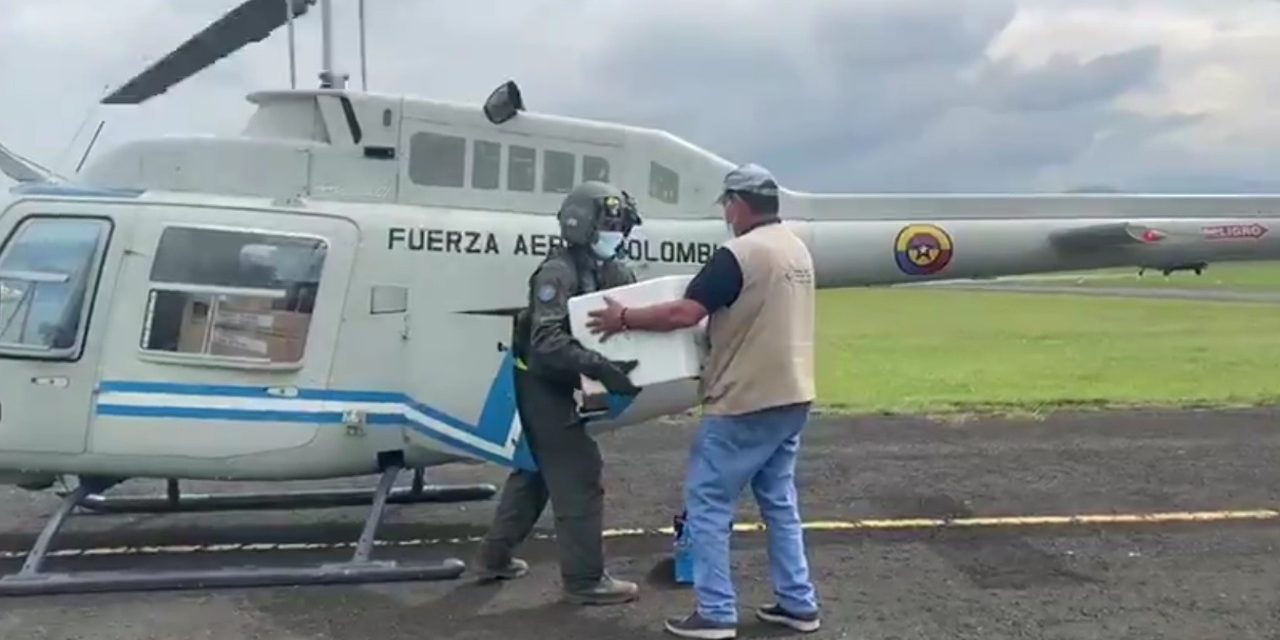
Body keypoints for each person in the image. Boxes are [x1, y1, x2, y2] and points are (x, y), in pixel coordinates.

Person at [586, 163, 821, 638]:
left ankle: (715, 612)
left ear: (736, 204)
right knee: (778, 501)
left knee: (708, 501)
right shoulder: (796, 250)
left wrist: (624, 318)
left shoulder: (738, 254)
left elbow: (684, 311)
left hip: (744, 398)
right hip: (793, 394)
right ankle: (799, 603)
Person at [473, 180, 646, 606]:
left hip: (562, 381)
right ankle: (585, 580)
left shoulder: (607, 269)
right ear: (583, 225)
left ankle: (493, 558)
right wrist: (600, 367)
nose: (616, 234)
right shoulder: (558, 272)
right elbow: (546, 341)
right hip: (542, 382)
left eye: (621, 226)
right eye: (610, 225)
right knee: (578, 472)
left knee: (535, 473)